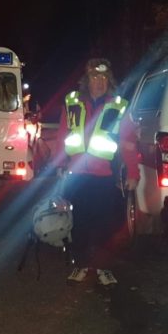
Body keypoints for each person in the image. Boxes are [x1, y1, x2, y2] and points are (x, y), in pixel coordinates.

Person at [56, 58, 139, 286]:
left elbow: (128, 142)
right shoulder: (72, 103)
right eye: (94, 77)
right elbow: (63, 135)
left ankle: (104, 268)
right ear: (87, 80)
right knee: (80, 222)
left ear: (109, 80)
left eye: (104, 78)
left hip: (105, 177)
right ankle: (82, 265)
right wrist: (60, 165)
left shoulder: (119, 106)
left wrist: (133, 173)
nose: (99, 82)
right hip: (77, 176)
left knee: (106, 224)